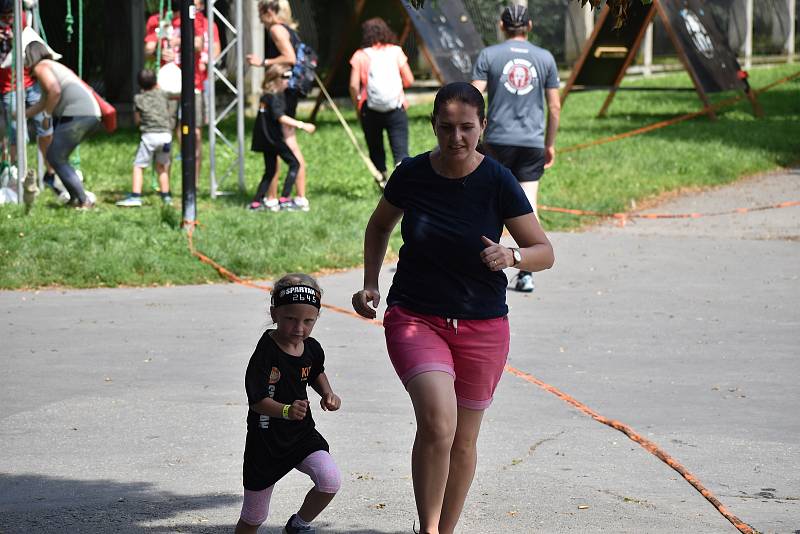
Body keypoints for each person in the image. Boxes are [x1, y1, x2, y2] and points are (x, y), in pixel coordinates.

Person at [351, 82, 554, 534]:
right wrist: (369, 284)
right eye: (446, 127)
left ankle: (446, 530)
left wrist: (511, 255)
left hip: (483, 325)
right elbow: (379, 226)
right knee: (439, 424)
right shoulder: (412, 174)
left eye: (466, 127)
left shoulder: (498, 180)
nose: (456, 137)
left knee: (464, 440)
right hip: (415, 316)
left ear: (483, 126)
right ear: (433, 126)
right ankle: (428, 529)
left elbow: (543, 250)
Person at [236, 273, 342, 534]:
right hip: (266, 441)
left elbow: (315, 371)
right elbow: (258, 401)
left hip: (301, 435)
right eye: (291, 319)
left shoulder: (312, 347)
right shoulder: (265, 354)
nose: (299, 329)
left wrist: (327, 393)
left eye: (308, 321)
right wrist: (285, 410)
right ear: (274, 314)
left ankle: (299, 524)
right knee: (254, 517)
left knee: (329, 481)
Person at [471, 4, 561, 293]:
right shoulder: (545, 58)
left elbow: (472, 96)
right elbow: (555, 107)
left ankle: (479, 260)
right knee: (528, 204)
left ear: (501, 25)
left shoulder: (489, 55)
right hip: (532, 141)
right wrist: (549, 143)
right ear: (530, 26)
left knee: (487, 200)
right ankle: (526, 271)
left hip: (496, 139)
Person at [144, 0, 220, 184]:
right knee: (164, 133)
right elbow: (147, 49)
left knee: (194, 133)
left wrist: (177, 40)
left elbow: (199, 44)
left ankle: (192, 184)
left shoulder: (195, 18)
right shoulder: (157, 20)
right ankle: (164, 185)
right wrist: (159, 51)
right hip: (166, 86)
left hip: (193, 83)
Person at [246, 0, 311, 211]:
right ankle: (297, 197)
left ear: (268, 11)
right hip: (289, 91)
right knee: (287, 140)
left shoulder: (276, 29)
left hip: (283, 91)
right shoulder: (288, 29)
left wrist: (262, 63)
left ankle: (275, 198)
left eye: (259, 12)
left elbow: (289, 58)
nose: (258, 17)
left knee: (279, 141)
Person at [23, 30, 99, 209]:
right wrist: (23, 115)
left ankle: (83, 200)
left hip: (79, 114)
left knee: (55, 156)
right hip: (88, 113)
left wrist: (47, 115)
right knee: (57, 156)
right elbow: (44, 100)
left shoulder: (41, 67)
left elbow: (55, 91)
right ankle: (75, 198)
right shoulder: (49, 66)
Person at [348, 17, 414, 184]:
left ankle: (382, 180)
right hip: (396, 107)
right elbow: (409, 80)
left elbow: (353, 85)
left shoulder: (360, 55)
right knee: (400, 148)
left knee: (375, 146)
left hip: (370, 109)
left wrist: (357, 105)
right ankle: (403, 181)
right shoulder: (396, 51)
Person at [0, 10, 57, 195]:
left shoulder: (23, 15)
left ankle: (52, 173)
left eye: (11, 14)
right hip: (8, 88)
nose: (9, 18)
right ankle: (17, 174)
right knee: (16, 134)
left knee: (45, 129)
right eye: (5, 15)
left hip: (30, 85)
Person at [249, 65, 315, 212]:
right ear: (274, 80)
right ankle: (285, 199)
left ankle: (256, 202)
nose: (288, 80)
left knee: (270, 170)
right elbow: (281, 117)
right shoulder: (274, 98)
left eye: (289, 77)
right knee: (295, 164)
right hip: (274, 140)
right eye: (285, 77)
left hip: (264, 140)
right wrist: (302, 125)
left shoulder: (265, 97)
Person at [116, 69, 173, 207]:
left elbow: (137, 120)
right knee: (162, 167)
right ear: (156, 82)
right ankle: (166, 197)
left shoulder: (139, 99)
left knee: (139, 166)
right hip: (166, 135)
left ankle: (136, 196)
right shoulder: (163, 94)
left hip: (149, 136)